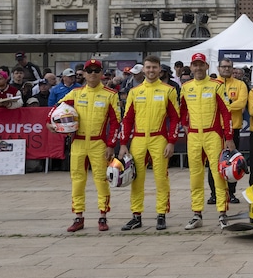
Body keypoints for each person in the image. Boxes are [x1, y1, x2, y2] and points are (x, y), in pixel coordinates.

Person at [52, 58, 122, 232]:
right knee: (77, 180)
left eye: (96, 70)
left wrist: (111, 145)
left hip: (99, 143)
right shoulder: (76, 93)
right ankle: (78, 216)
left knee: (101, 180)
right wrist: (51, 123)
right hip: (78, 142)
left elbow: (116, 123)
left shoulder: (110, 94)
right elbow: (57, 108)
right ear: (83, 73)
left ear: (101, 73)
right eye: (89, 71)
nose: (92, 74)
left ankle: (103, 216)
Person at [118, 56, 180, 231]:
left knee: (161, 178)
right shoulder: (134, 91)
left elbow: (175, 119)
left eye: (154, 67)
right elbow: (127, 119)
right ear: (143, 69)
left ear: (160, 69)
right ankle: (136, 216)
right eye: (148, 67)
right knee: (136, 178)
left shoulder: (168, 90)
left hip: (159, 138)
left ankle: (161, 214)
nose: (151, 70)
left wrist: (171, 142)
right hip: (138, 139)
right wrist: (123, 144)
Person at [179, 52, 235, 229]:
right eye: (195, 64)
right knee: (195, 176)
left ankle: (222, 213)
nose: (198, 68)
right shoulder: (186, 87)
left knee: (218, 174)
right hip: (194, 136)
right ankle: (197, 214)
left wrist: (229, 137)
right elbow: (182, 110)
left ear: (206, 66)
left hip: (213, 135)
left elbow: (226, 112)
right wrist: (185, 125)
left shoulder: (216, 85)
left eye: (201, 64)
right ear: (191, 67)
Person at [211, 59, 248, 205]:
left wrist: (223, 106)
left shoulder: (240, 84)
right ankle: (215, 194)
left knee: (233, 163)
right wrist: (230, 104)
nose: (226, 69)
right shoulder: (212, 84)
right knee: (215, 162)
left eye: (229, 67)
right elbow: (210, 105)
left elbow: (241, 103)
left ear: (233, 69)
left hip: (234, 128)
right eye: (224, 66)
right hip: (215, 129)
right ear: (218, 68)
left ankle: (231, 193)